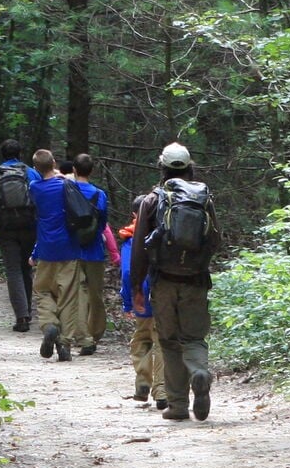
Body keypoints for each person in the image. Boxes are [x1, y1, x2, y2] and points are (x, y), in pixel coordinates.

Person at [129, 141, 221, 420]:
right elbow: (216, 239)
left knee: (169, 342)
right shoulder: (204, 197)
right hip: (195, 280)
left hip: (164, 282)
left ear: (162, 168)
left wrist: (136, 286)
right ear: (190, 168)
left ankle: (179, 405)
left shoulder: (152, 200)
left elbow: (139, 248)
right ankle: (200, 372)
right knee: (193, 337)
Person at [26, 149, 87, 362]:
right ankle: (64, 345)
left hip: (45, 248)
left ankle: (50, 324)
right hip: (69, 247)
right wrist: (64, 176)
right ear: (54, 163)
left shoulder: (34, 188)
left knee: (43, 291)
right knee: (68, 297)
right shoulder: (66, 185)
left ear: (35, 168)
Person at [0, 139, 39, 332]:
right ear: (20, 154)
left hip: (6, 228)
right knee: (26, 268)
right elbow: (39, 200)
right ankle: (28, 312)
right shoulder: (31, 173)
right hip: (29, 226)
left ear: (2, 154)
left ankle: (21, 316)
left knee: (13, 270)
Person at [70, 154, 111, 354]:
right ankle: (95, 334)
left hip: (72, 249)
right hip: (95, 250)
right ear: (91, 171)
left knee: (77, 293)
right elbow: (103, 224)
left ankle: (81, 335)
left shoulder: (67, 191)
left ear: (74, 170)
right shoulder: (99, 194)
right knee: (96, 295)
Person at [119, 217, 162, 404]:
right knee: (162, 342)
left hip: (142, 296)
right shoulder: (167, 233)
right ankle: (162, 391)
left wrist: (128, 302)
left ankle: (143, 382)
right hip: (164, 295)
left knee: (142, 339)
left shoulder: (132, 239)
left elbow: (128, 273)